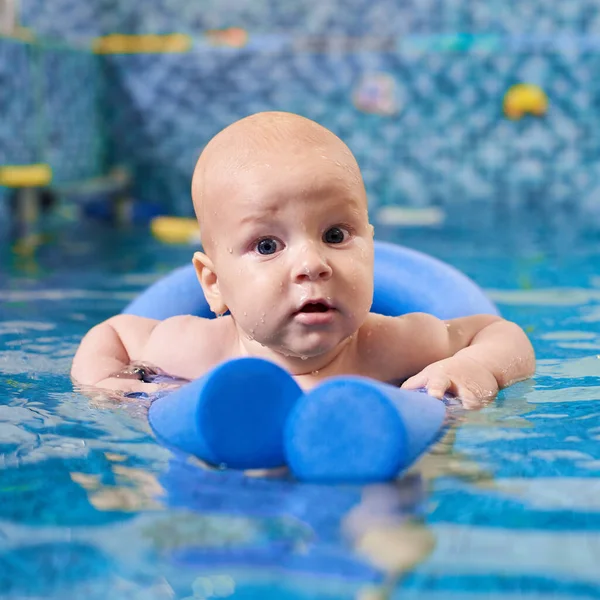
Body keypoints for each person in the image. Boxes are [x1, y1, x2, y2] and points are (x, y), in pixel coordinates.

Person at [71, 111, 535, 405]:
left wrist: (474, 367)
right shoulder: (198, 351)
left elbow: (499, 333)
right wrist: (106, 383)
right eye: (268, 246)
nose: (312, 264)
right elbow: (112, 333)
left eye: (335, 234)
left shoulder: (390, 347)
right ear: (213, 284)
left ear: (370, 250)